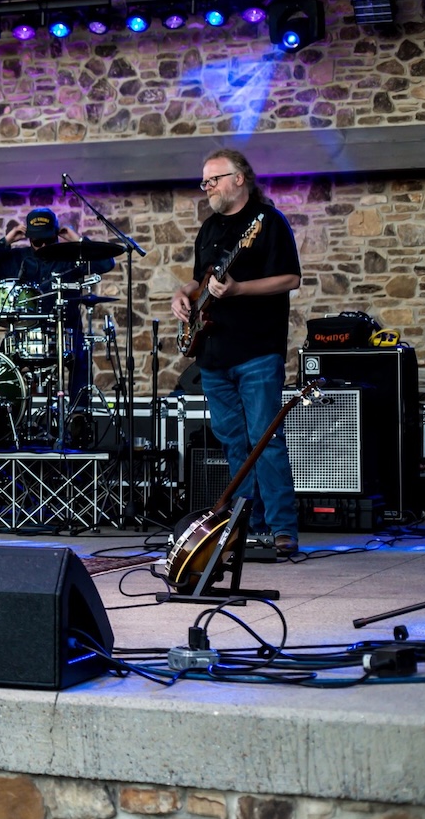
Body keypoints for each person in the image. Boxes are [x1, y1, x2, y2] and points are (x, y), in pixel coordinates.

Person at [171, 148, 302, 556]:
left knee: (265, 439)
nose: (207, 187)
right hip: (213, 354)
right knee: (233, 444)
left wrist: (240, 289)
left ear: (239, 178)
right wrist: (182, 294)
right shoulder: (209, 228)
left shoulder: (267, 222)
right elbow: (201, 281)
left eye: (214, 179)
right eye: (204, 181)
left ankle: (282, 528)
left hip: (256, 348)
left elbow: (290, 278)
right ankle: (245, 527)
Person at [0, 207, 115, 425]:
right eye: (38, 242)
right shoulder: (16, 257)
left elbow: (106, 263)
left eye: (48, 241)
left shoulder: (71, 256)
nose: (43, 246)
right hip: (23, 330)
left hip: (65, 328)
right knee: (1, 363)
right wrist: (7, 240)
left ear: (56, 235)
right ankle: (0, 418)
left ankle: (78, 416)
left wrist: (77, 241)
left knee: (81, 355)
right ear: (29, 238)